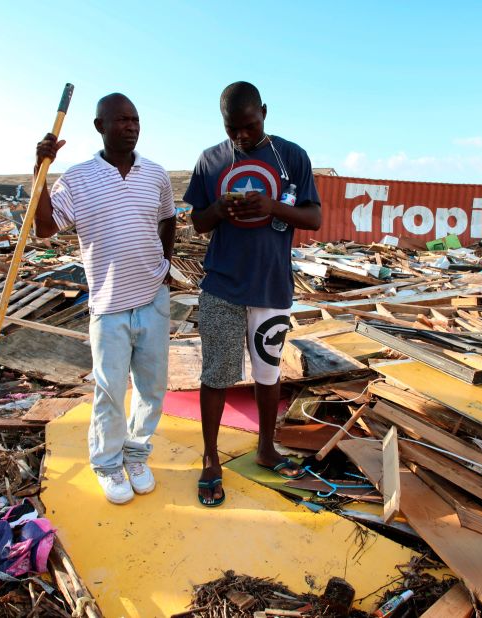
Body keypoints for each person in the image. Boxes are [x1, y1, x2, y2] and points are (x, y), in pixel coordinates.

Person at [184, 81, 322, 507]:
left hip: (271, 287)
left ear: (264, 111)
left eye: (249, 125)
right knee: (217, 375)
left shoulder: (291, 156)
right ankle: (211, 460)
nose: (241, 136)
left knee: (268, 375)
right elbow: (197, 223)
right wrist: (220, 209)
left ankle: (266, 448)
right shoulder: (211, 160)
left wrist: (273, 207)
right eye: (232, 128)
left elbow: (314, 217)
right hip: (222, 286)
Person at [34, 93, 176, 505]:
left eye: (135, 119)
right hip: (109, 305)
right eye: (121, 120)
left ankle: (136, 453)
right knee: (110, 391)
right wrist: (39, 172)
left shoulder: (156, 174)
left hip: (153, 298)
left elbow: (168, 218)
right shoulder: (77, 178)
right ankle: (107, 463)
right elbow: (45, 228)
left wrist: (163, 265)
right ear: (100, 126)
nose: (131, 126)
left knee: (152, 390)